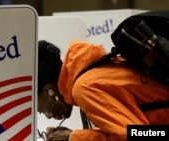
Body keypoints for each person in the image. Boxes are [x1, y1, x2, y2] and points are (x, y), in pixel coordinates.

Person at [37, 40, 169, 141]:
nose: (48, 116)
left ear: (49, 91)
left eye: (42, 111)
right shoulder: (95, 71)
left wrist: (74, 137)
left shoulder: (85, 87)